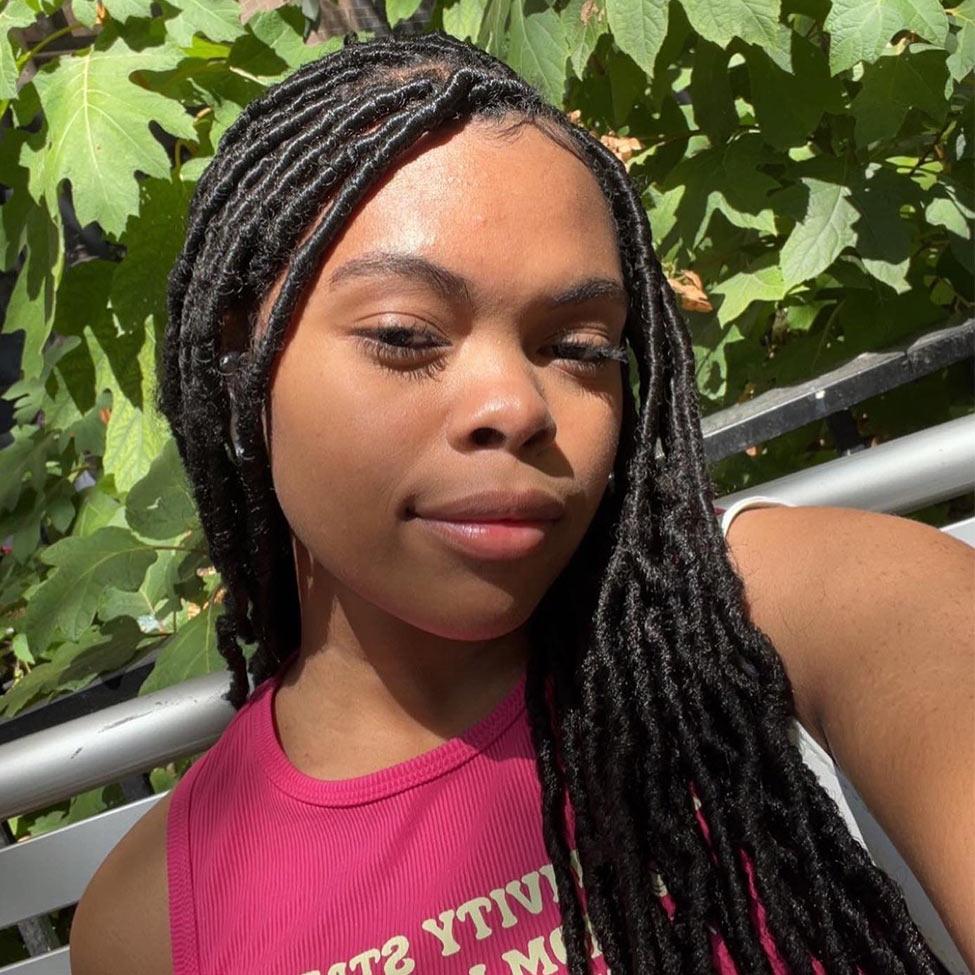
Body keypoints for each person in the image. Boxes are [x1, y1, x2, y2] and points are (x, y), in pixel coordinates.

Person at [68, 29, 974, 975]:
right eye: (404, 333)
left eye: (582, 346)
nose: (517, 406)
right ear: (240, 369)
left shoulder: (826, 607)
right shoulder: (152, 924)